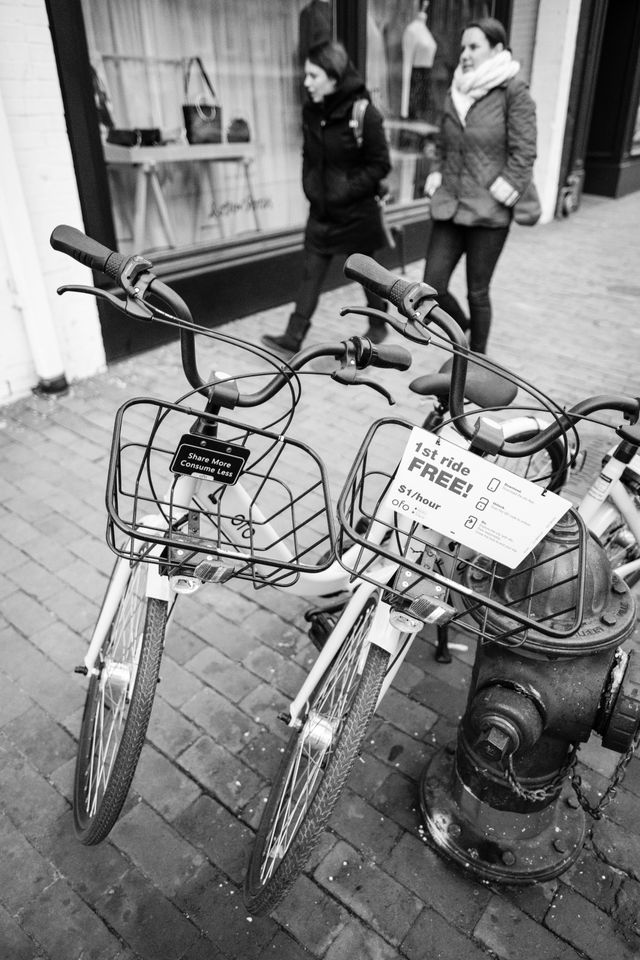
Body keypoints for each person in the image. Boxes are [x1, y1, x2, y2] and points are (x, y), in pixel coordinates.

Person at [262, 40, 392, 357]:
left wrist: (344, 190)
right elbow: (309, 154)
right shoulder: (312, 111)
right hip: (320, 212)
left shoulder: (364, 114)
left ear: (333, 77)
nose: (306, 82)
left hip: (355, 213)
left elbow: (380, 165)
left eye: (313, 75)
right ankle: (293, 337)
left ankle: (379, 324)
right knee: (311, 272)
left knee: (367, 275)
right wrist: (311, 186)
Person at [422, 17, 537, 354]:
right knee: (432, 286)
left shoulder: (513, 91)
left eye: (474, 47)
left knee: (478, 291)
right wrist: (436, 170)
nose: (465, 54)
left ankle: (478, 357)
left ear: (497, 49)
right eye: (463, 47)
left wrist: (507, 187)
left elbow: (525, 150)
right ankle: (463, 330)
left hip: (489, 211)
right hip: (450, 205)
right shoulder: (455, 90)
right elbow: (443, 144)